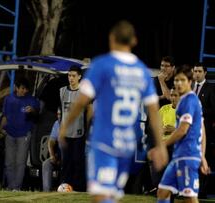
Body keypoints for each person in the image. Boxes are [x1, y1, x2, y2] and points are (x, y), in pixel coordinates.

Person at [58, 20, 168, 203]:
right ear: (133, 41)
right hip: (127, 146)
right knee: (110, 196)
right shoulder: (141, 71)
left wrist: (65, 126)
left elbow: (81, 101)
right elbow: (154, 113)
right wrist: (161, 146)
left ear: (111, 38)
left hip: (104, 143)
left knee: (101, 197)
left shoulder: (103, 65)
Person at [157, 65, 210, 203]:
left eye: (182, 80)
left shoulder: (190, 101)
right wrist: (203, 156)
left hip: (188, 156)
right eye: (176, 80)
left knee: (190, 198)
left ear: (190, 82)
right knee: (163, 191)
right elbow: (202, 130)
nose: (178, 83)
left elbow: (182, 130)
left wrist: (162, 145)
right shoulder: (183, 101)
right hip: (179, 156)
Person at [0, 78, 40, 191]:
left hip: (24, 135)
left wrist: (33, 111)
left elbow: (38, 116)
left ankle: (16, 187)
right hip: (10, 133)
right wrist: (1, 129)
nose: (24, 91)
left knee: (20, 162)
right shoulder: (9, 99)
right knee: (9, 162)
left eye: (26, 89)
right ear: (16, 88)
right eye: (22, 88)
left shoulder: (32, 100)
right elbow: (5, 116)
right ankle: (11, 186)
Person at [59, 65, 92, 191]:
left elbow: (90, 110)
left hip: (79, 132)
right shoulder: (62, 91)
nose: (71, 78)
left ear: (79, 77)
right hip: (65, 132)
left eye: (73, 76)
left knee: (77, 161)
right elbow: (61, 112)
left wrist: (87, 128)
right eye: (69, 75)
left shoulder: (84, 93)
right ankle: (65, 186)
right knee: (65, 162)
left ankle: (78, 188)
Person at [192, 63, 215, 197]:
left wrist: (198, 112)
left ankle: (201, 192)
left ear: (205, 73)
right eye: (195, 71)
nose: (197, 74)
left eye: (199, 71)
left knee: (203, 159)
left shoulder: (211, 88)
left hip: (204, 131)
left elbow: (214, 109)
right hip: (188, 130)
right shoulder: (189, 87)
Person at [42, 109, 62, 192]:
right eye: (57, 114)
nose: (59, 116)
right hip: (59, 155)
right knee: (47, 164)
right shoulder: (57, 124)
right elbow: (51, 141)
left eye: (60, 114)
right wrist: (52, 155)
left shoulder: (72, 123)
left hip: (71, 155)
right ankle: (46, 192)